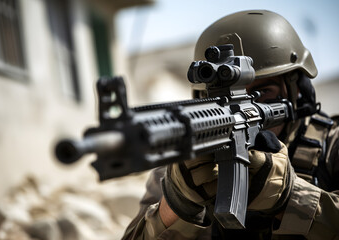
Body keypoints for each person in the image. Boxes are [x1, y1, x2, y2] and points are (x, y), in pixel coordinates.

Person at [122, 10, 339, 239]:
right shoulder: (184, 171)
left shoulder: (331, 145)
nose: (241, 108)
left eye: (262, 91)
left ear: (297, 90)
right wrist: (176, 205)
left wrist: (289, 196)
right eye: (220, 98)